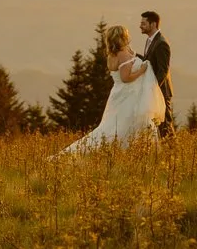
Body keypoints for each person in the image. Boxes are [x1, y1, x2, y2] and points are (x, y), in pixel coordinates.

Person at [59, 23, 164, 154]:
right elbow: (126, 78)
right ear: (121, 37)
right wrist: (142, 70)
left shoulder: (112, 55)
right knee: (123, 126)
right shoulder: (122, 54)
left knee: (112, 125)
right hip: (128, 95)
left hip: (118, 93)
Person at [137, 10, 173, 134]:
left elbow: (163, 70)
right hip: (155, 90)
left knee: (165, 124)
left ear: (153, 24)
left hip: (161, 90)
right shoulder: (151, 40)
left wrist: (154, 89)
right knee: (158, 124)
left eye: (143, 23)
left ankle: (171, 149)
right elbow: (150, 62)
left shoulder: (161, 43)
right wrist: (132, 56)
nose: (140, 26)